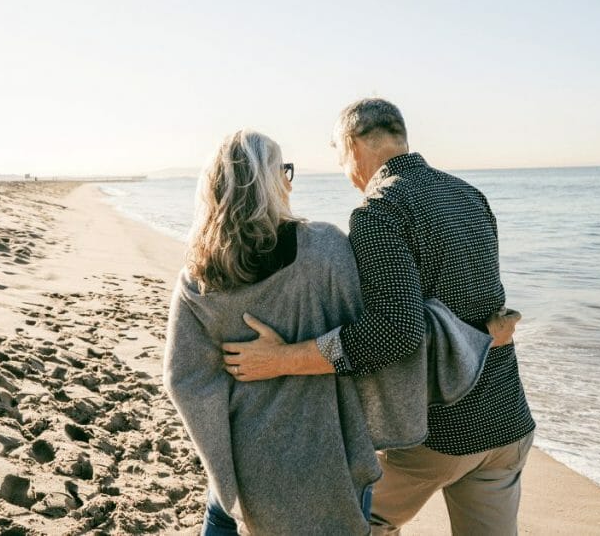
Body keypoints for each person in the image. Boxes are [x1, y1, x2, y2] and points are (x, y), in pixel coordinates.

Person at [164, 129, 515, 535]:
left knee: (222, 515)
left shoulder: (197, 275)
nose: (289, 181)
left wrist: (220, 458)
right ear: (271, 182)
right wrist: (479, 333)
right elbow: (391, 332)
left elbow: (183, 378)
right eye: (285, 171)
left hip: (240, 456)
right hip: (328, 450)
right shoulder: (325, 249)